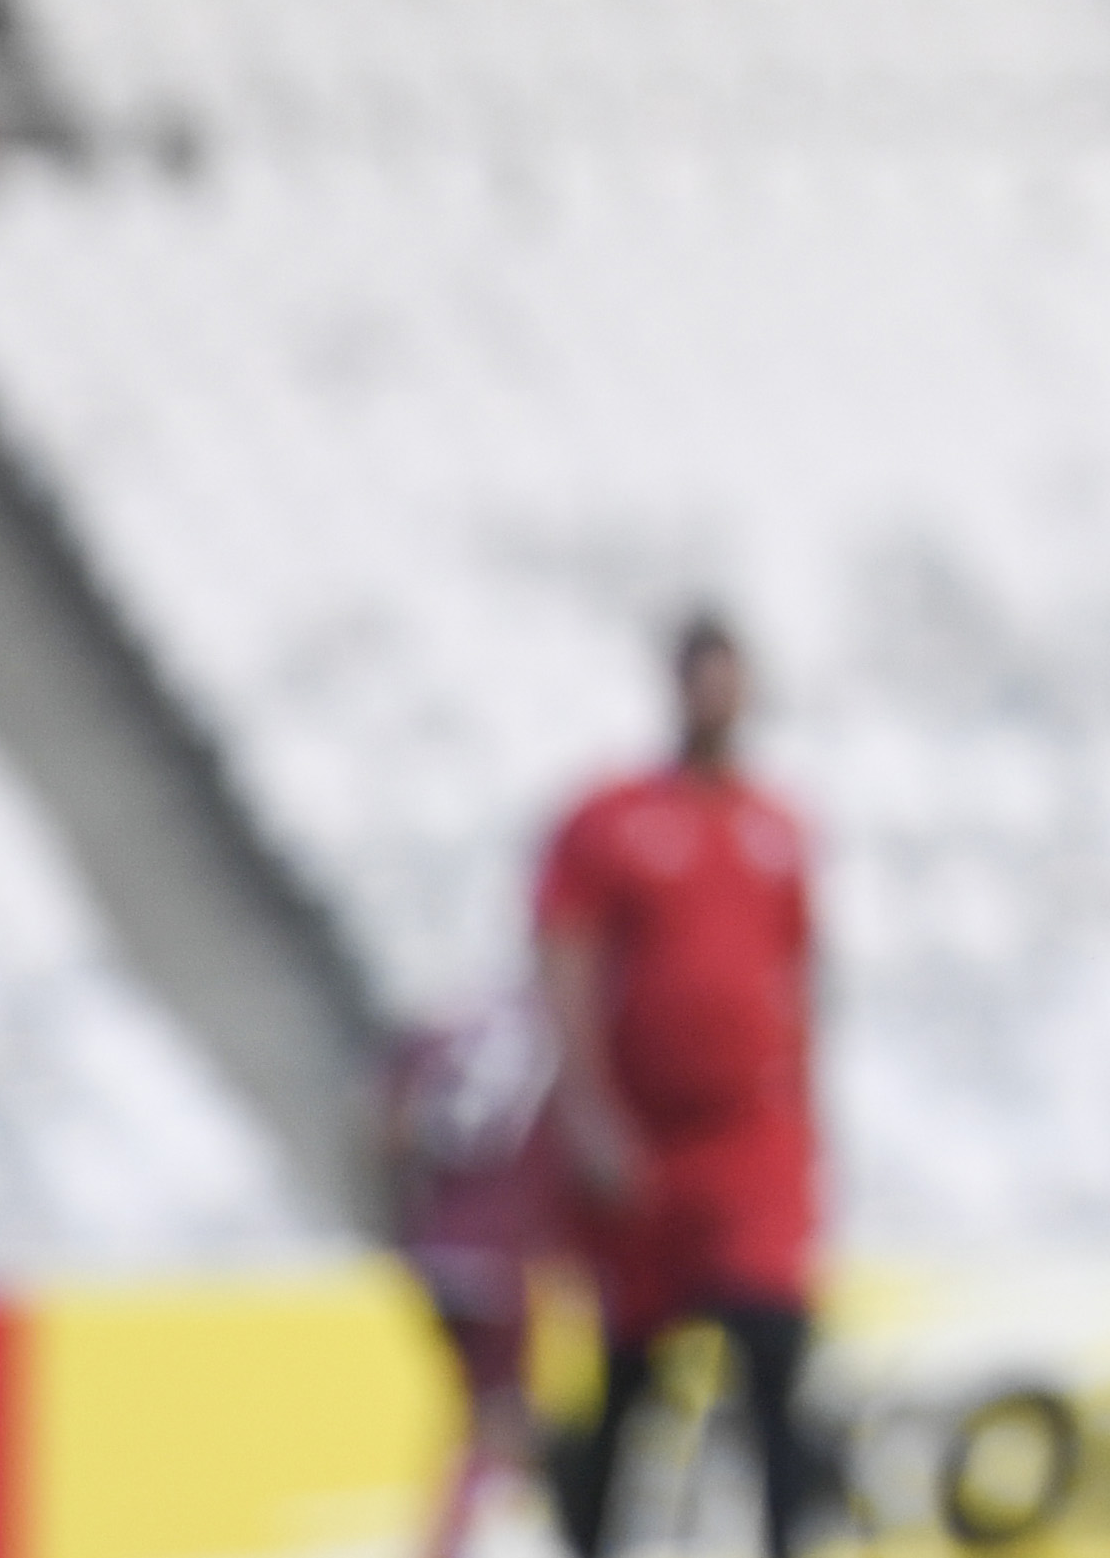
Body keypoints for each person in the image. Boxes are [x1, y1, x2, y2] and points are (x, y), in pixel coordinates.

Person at [536, 609, 825, 1556]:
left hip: (750, 1141)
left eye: (731, 678)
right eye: (703, 677)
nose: (718, 697)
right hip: (645, 1144)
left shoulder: (778, 827)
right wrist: (587, 1110)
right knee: (630, 1380)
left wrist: (808, 1129)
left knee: (774, 1350)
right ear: (677, 686)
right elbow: (567, 958)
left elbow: (801, 982)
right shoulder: (612, 819)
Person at [384, 987, 565, 1558]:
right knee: (504, 1417)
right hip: (500, 1253)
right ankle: (451, 1544)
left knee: (485, 1415)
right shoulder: (552, 1029)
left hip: (436, 1247)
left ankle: (454, 1537)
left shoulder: (442, 1027)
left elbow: (388, 1129)